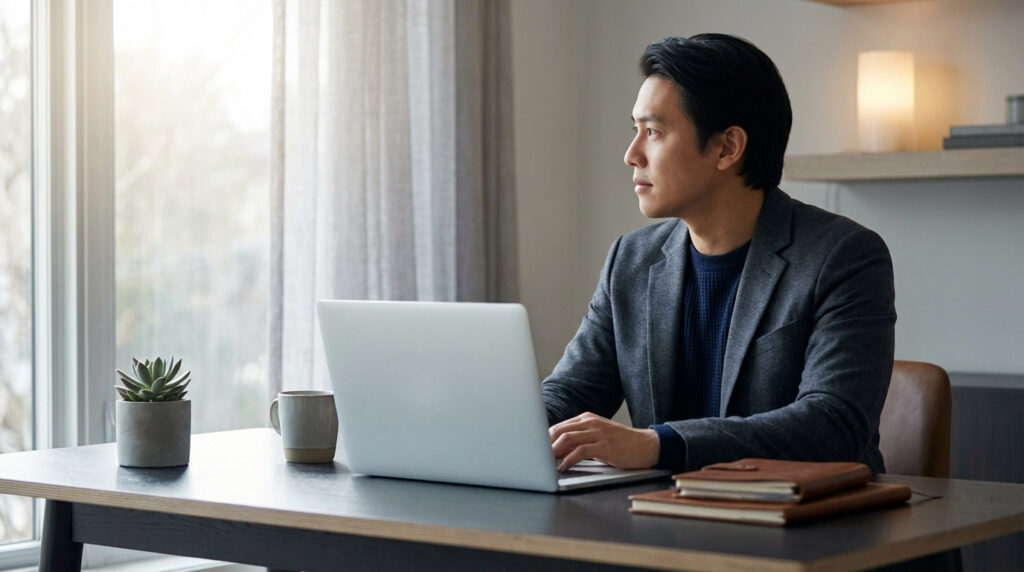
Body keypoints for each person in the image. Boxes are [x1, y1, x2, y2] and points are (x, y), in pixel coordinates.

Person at [543, 34, 897, 475]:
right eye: (635, 131)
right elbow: (570, 392)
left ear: (727, 147)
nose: (631, 154)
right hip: (667, 522)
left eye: (653, 132)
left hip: (810, 527)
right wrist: (513, 425)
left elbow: (833, 424)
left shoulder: (842, 256)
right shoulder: (631, 260)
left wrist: (657, 445)